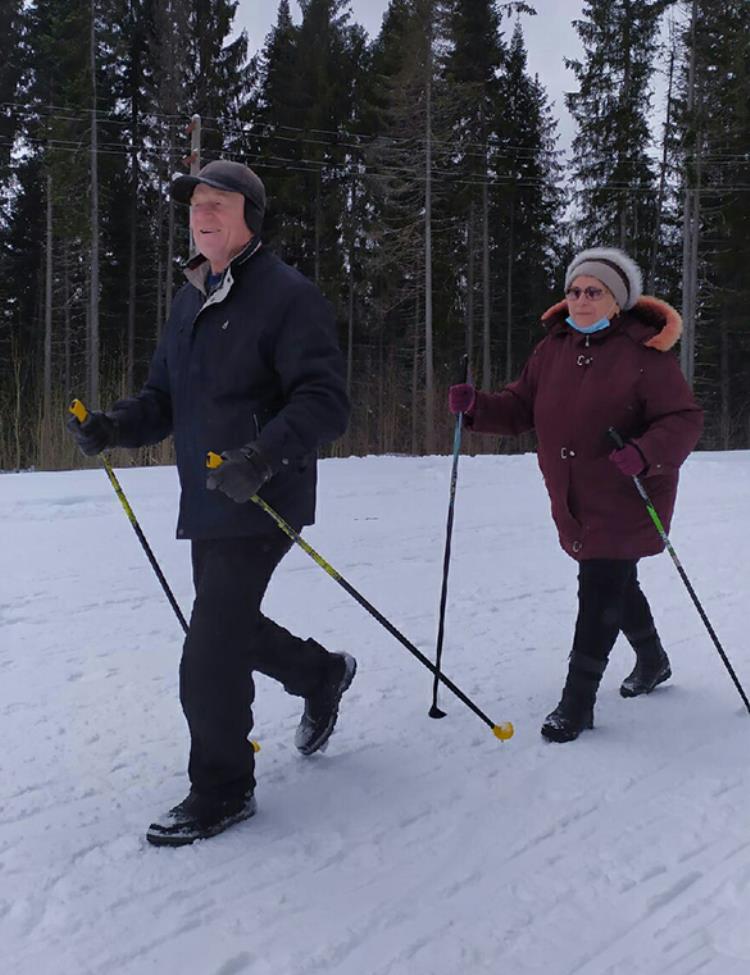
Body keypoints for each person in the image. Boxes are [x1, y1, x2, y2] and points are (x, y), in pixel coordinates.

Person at [67, 160, 355, 844]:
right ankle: (321, 674)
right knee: (229, 627)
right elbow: (164, 398)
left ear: (249, 214)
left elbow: (326, 401)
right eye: (196, 204)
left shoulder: (288, 296)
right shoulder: (190, 298)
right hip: (206, 499)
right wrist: (114, 426)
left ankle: (223, 787)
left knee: (209, 651)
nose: (201, 214)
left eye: (217, 203)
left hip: (265, 496)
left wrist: (261, 456)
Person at [448, 247, 703, 743]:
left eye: (594, 291)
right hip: (572, 493)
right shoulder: (553, 348)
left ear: (617, 301)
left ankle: (577, 701)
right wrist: (477, 406)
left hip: (627, 491)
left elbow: (683, 418)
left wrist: (646, 452)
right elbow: (520, 406)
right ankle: (653, 660)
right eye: (574, 290)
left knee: (600, 584)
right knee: (615, 580)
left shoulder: (644, 353)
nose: (581, 299)